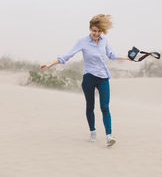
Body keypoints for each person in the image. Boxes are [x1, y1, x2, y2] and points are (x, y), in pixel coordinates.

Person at [40, 14, 130, 147]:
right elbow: (67, 56)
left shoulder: (104, 40)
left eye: (99, 31)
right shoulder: (82, 41)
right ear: (90, 29)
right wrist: (49, 64)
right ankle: (93, 131)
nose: (97, 33)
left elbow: (112, 55)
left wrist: (128, 58)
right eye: (94, 30)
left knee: (105, 107)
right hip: (89, 78)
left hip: (103, 78)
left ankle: (109, 136)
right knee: (90, 106)